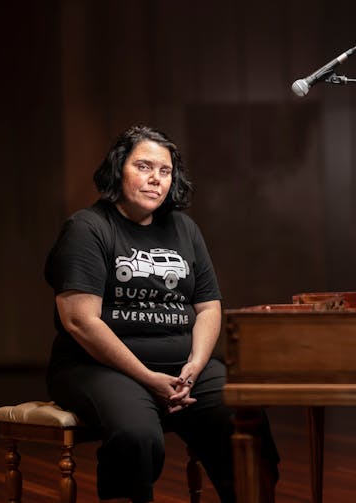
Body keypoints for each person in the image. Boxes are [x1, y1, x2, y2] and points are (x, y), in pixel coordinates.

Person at [45, 125, 279, 503]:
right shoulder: (87, 229)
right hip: (98, 368)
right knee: (137, 435)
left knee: (243, 415)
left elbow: (208, 306)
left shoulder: (184, 228)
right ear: (118, 169)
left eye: (165, 171)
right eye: (143, 166)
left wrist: (195, 366)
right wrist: (148, 378)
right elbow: (79, 320)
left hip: (183, 369)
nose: (155, 179)